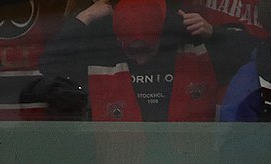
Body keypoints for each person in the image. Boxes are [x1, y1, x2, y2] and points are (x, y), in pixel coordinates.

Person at [36, 0, 220, 123]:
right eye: (131, 51)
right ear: (118, 38)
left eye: (147, 50)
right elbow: (49, 65)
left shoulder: (189, 40)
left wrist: (214, 34)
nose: (140, 60)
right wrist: (85, 17)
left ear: (162, 36)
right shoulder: (101, 50)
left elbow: (245, 58)